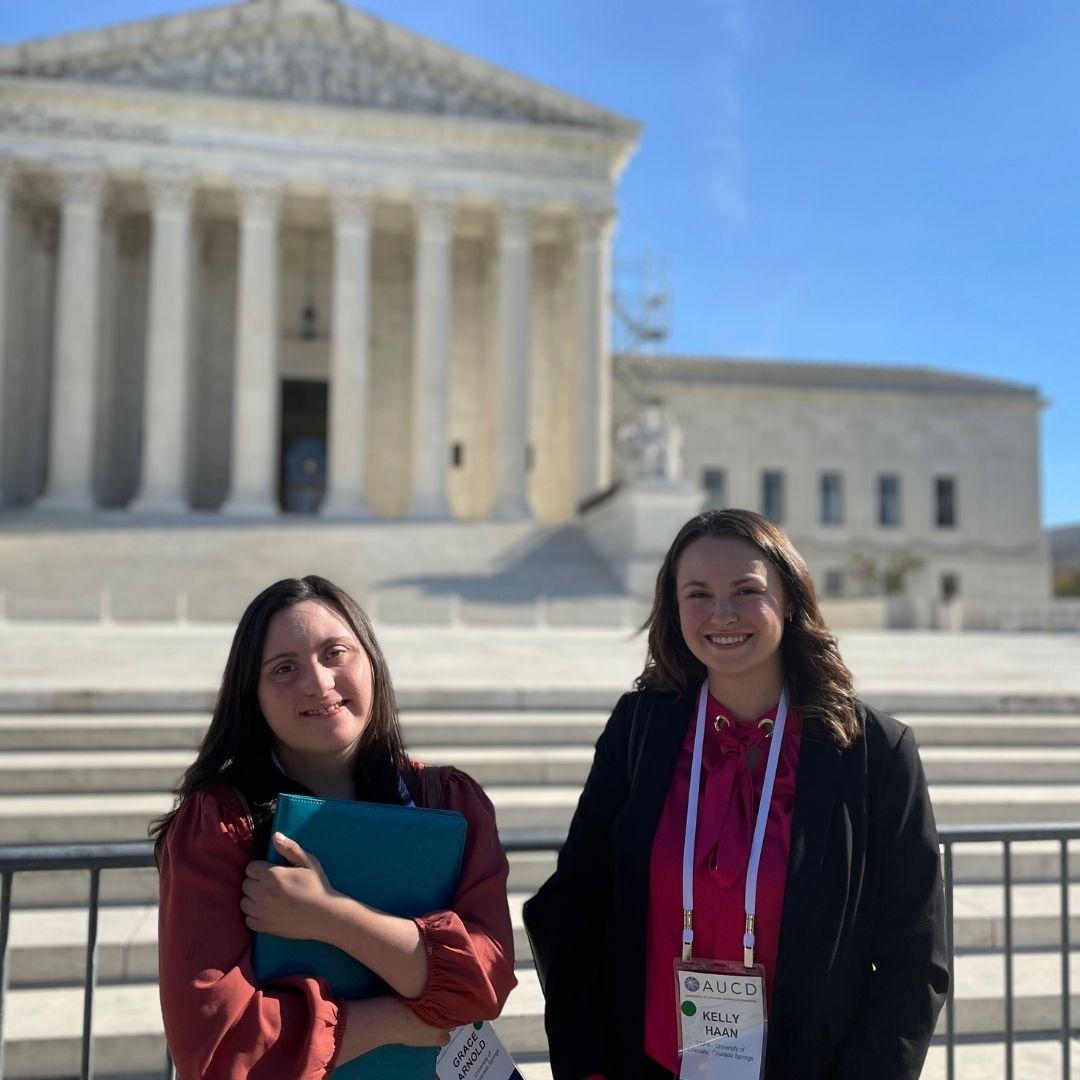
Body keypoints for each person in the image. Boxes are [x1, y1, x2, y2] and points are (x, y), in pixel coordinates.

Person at [524, 509, 948, 1079]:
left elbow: (913, 961)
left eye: (747, 591)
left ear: (791, 599)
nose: (721, 614)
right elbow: (576, 904)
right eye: (698, 593)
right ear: (674, 609)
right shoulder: (640, 729)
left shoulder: (874, 752)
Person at [153, 575, 516, 1077]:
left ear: (372, 662)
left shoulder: (451, 803)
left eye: (335, 653)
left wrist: (330, 916)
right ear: (251, 695)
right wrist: (393, 1021)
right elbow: (218, 1047)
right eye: (284, 668)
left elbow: (482, 984)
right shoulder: (219, 826)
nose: (318, 683)